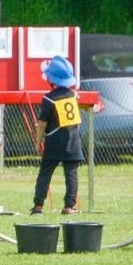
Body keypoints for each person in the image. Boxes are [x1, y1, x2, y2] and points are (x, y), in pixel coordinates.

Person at [31, 56, 85, 215]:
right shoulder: (74, 96)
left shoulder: (49, 98)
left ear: (51, 78)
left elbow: (42, 123)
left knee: (45, 173)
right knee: (71, 175)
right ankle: (69, 206)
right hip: (72, 141)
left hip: (54, 142)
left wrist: (38, 142)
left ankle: (38, 206)